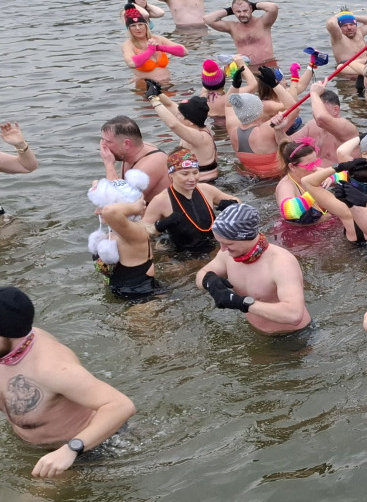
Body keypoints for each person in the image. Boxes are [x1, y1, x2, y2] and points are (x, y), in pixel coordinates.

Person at [0, 287, 137, 478]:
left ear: (8, 333)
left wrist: (71, 449)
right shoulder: (8, 349)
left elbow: (121, 406)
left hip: (85, 451)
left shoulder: (52, 368)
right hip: (36, 448)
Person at [196, 203, 311, 334]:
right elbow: (202, 274)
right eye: (219, 242)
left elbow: (294, 315)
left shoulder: (281, 262)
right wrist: (210, 281)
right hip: (256, 332)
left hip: (293, 335)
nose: (222, 249)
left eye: (228, 244)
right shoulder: (226, 255)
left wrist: (242, 303)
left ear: (247, 237)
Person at [142, 148, 240, 254]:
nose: (192, 178)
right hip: (183, 256)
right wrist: (160, 225)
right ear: (170, 175)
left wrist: (233, 205)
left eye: (195, 172)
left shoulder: (206, 190)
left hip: (215, 247)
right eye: (185, 174)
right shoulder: (161, 200)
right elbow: (140, 233)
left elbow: (237, 201)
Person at [87, 170, 160, 299]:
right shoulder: (116, 231)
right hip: (123, 296)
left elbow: (110, 212)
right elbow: (96, 183)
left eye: (102, 207)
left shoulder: (136, 233)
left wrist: (137, 207)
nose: (96, 212)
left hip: (143, 300)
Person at [145, 83, 218, 181]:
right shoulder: (194, 122)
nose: (176, 115)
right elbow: (170, 104)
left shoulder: (200, 137)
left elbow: (173, 125)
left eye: (179, 114)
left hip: (205, 183)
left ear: (190, 122)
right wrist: (157, 92)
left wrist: (153, 99)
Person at [99, 115, 168, 203]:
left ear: (127, 144)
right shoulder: (132, 152)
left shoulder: (150, 165)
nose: (103, 146)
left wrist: (109, 164)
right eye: (103, 140)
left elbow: (119, 204)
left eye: (108, 142)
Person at [203, 0, 279, 67]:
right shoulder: (232, 27)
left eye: (245, 10)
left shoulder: (263, 23)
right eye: (238, 12)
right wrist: (229, 10)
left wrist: (254, 5)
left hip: (268, 65)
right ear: (233, 12)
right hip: (246, 68)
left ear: (251, 9)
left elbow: (273, 7)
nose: (242, 14)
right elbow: (208, 19)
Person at [275, 139, 334, 227]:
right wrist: (315, 191)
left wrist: (332, 178)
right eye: (309, 165)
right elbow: (288, 211)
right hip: (300, 235)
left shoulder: (313, 171)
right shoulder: (286, 186)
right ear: (292, 167)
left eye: (316, 162)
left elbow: (347, 174)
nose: (314, 168)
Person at [120, 8, 187, 84]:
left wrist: (160, 48)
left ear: (146, 26)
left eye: (140, 24)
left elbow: (184, 52)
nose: (138, 28)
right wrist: (150, 51)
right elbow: (132, 63)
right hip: (146, 86)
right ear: (129, 29)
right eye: (133, 25)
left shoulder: (158, 39)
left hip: (168, 84)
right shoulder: (128, 44)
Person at [297, 82, 357, 164]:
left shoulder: (346, 127)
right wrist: (279, 129)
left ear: (335, 110)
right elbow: (287, 144)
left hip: (341, 175)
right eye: (315, 109)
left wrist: (314, 93)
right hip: (315, 174)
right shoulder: (312, 125)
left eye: (320, 109)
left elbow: (321, 118)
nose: (315, 113)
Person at [326, 10, 367, 77]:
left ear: (356, 25)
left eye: (351, 24)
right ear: (340, 28)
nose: (349, 28)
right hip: (348, 72)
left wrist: (352, 17)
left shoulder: (359, 32)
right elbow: (331, 23)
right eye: (345, 25)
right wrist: (337, 17)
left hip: (366, 68)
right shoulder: (338, 37)